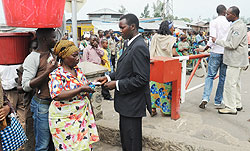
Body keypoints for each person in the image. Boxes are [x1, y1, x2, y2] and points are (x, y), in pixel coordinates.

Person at [96, 14, 151, 151]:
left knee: (132, 142)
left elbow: (142, 79)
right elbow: (125, 70)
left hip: (132, 104)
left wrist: (117, 84)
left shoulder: (139, 47)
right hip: (127, 104)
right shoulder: (130, 44)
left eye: (122, 27)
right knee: (127, 140)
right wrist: (109, 78)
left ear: (132, 27)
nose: (120, 31)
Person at [48, 40, 99, 150]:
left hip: (81, 115)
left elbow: (84, 88)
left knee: (84, 145)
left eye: (78, 55)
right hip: (64, 119)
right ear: (64, 56)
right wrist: (81, 88)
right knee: (69, 147)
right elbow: (56, 94)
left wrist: (90, 87)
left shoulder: (78, 71)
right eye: (74, 55)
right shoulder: (57, 74)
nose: (78, 58)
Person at [22, 28, 57, 151]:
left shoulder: (53, 54)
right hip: (42, 105)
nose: (55, 39)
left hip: (55, 105)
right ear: (43, 39)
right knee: (43, 145)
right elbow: (26, 85)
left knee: (54, 142)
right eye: (53, 37)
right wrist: (47, 72)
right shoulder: (33, 58)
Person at [212, 6, 249, 114]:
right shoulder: (238, 25)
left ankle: (230, 107)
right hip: (238, 60)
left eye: (228, 14)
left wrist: (217, 41)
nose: (226, 15)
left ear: (234, 15)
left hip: (235, 60)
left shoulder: (237, 27)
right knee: (236, 83)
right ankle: (237, 104)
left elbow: (232, 44)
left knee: (229, 84)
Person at [199, 4, 230, 109]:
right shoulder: (229, 23)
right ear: (225, 12)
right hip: (225, 52)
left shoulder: (213, 22)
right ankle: (218, 100)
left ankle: (205, 98)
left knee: (210, 76)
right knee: (222, 77)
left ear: (217, 12)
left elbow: (212, 39)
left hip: (215, 51)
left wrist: (205, 48)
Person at [149, 20, 177, 116]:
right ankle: (165, 110)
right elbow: (173, 53)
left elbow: (151, 51)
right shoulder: (172, 39)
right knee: (166, 89)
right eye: (173, 27)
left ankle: (152, 109)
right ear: (169, 28)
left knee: (154, 88)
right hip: (167, 67)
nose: (174, 28)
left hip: (155, 65)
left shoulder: (155, 37)